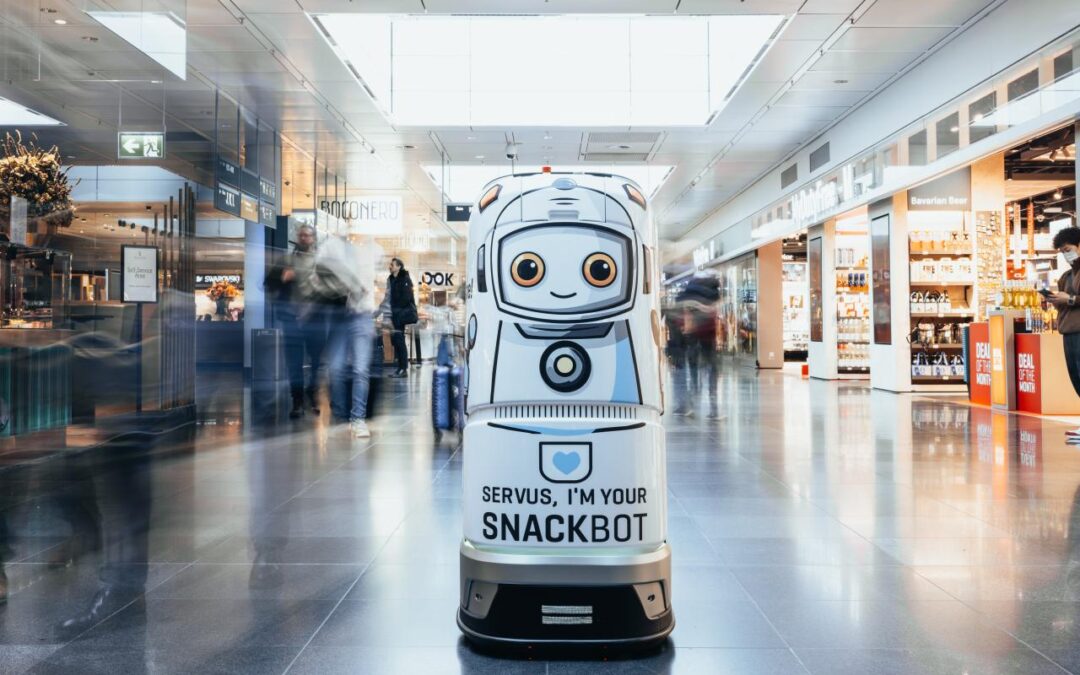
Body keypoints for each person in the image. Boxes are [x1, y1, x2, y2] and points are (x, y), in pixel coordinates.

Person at [312, 235, 377, 438]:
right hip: (338, 315)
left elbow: (369, 288)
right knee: (336, 368)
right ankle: (340, 415)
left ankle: (357, 419)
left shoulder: (370, 249)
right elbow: (317, 273)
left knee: (360, 369)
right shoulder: (331, 246)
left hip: (362, 315)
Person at [266, 225, 327, 418]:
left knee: (317, 361)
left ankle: (313, 394)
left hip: (316, 318)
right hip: (292, 318)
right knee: (294, 362)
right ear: (297, 238)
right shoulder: (286, 260)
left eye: (307, 235)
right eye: (301, 235)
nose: (304, 238)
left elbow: (333, 288)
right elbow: (268, 284)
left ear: (313, 238)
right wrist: (282, 280)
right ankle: (297, 401)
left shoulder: (321, 262)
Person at [1050, 227, 1080, 438]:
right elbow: (1065, 304)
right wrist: (1055, 301)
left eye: (1068, 249)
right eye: (1062, 252)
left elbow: (1072, 301)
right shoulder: (1066, 275)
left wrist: (1069, 300)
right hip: (1068, 332)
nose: (1066, 255)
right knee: (1076, 378)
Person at [386, 257, 418, 378]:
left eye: (392, 265)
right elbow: (388, 297)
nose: (390, 266)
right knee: (396, 341)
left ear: (399, 266)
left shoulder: (405, 279)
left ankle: (403, 369)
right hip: (395, 315)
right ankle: (400, 367)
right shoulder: (391, 279)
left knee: (399, 341)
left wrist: (395, 310)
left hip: (401, 315)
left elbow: (406, 298)